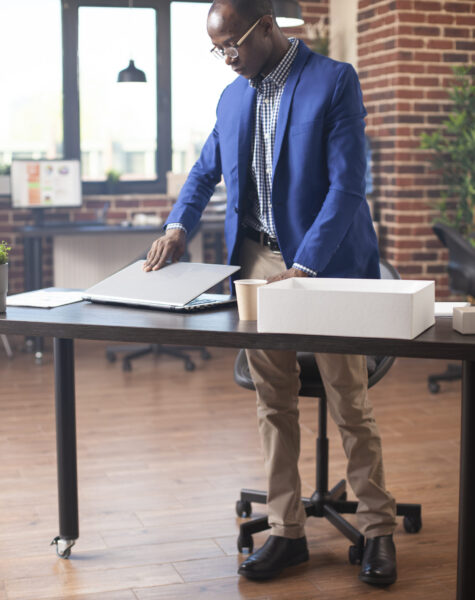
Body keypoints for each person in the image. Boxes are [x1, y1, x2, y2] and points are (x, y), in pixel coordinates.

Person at [143, 0, 397, 587]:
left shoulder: (333, 81)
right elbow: (205, 170)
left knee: (348, 400)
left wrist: (307, 265)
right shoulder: (232, 97)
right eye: (217, 49)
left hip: (324, 261)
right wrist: (177, 225)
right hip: (256, 260)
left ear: (266, 27)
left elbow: (347, 187)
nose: (226, 58)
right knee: (273, 398)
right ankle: (286, 531)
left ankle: (379, 528)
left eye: (232, 44)